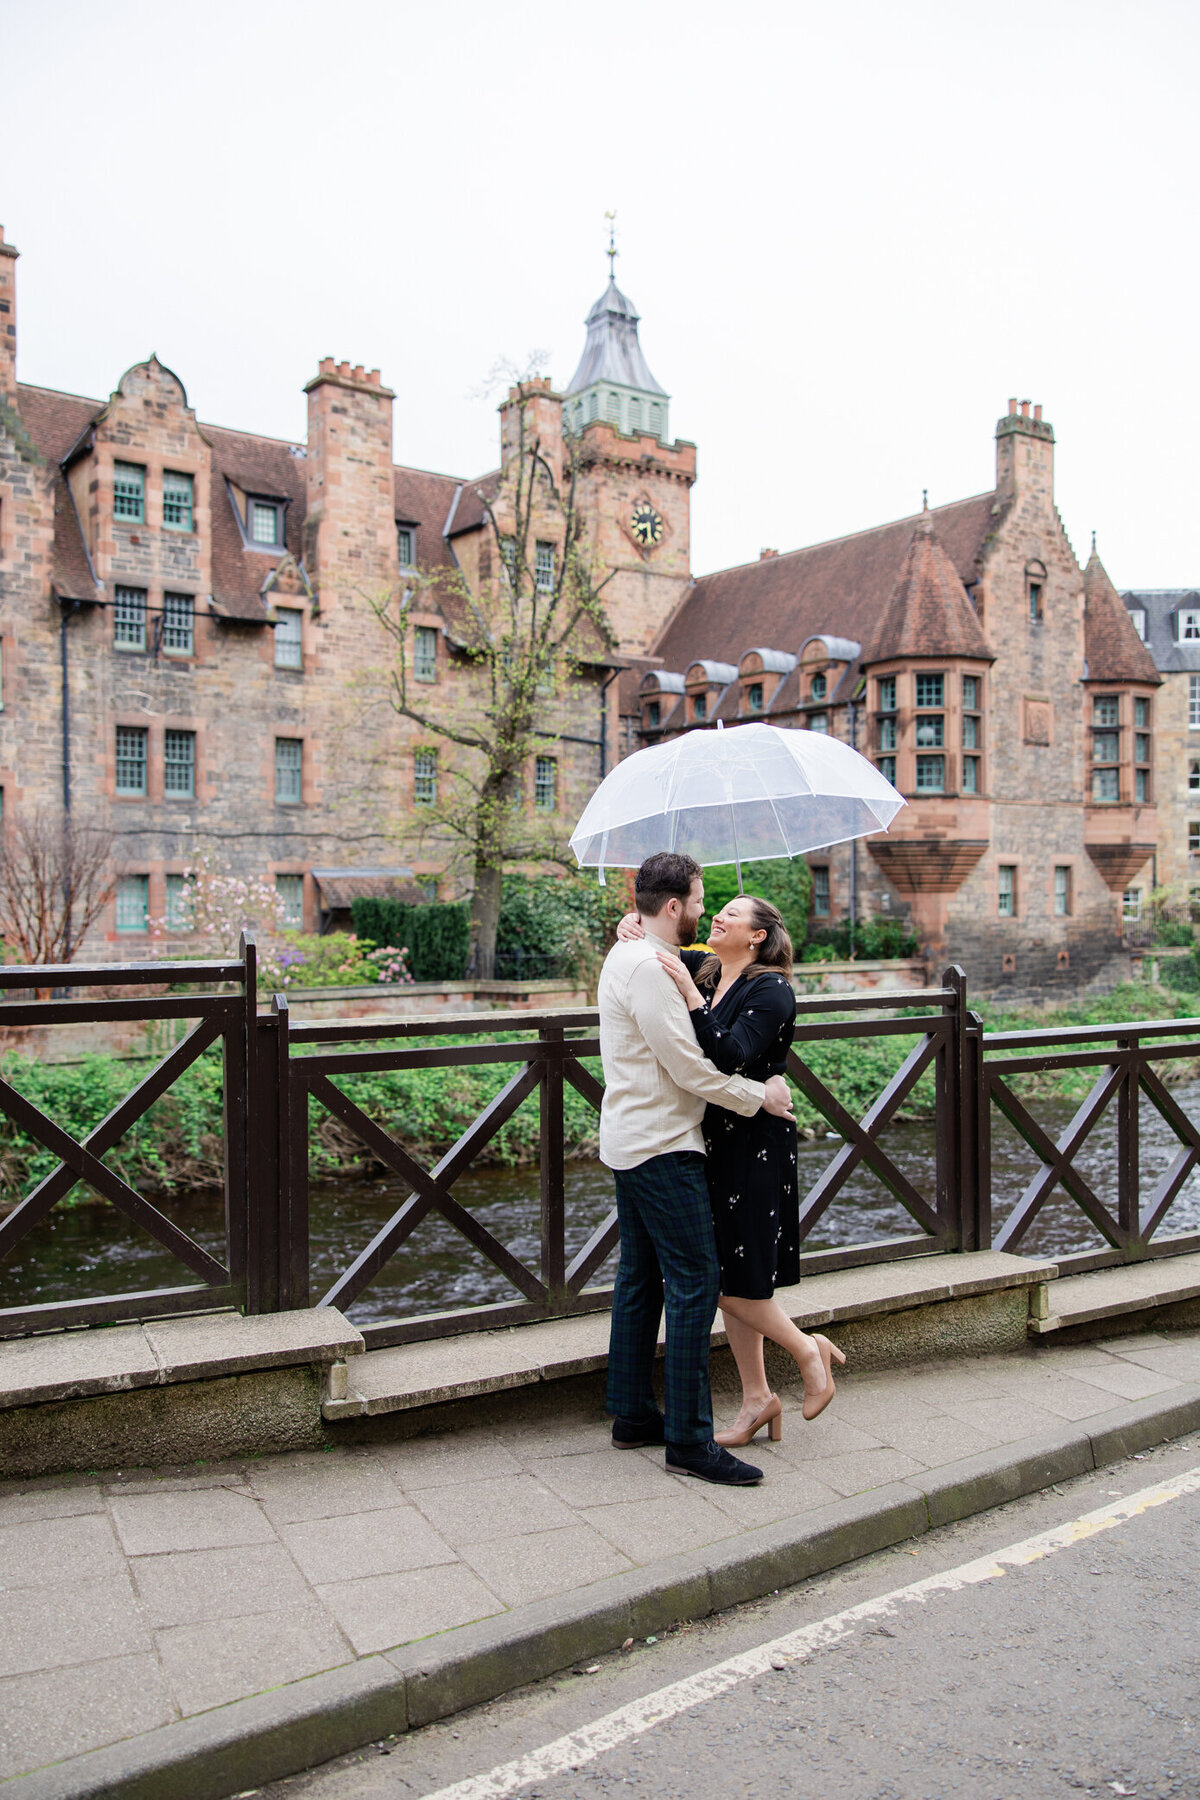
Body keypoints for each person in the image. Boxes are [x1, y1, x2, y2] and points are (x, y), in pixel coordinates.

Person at [598, 851, 797, 1487]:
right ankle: (689, 1440)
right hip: (662, 1143)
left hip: (631, 1136)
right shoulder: (651, 968)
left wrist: (632, 923)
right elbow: (689, 1067)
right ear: (674, 905)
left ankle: (632, 1414)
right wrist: (756, 1097)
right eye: (701, 899)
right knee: (692, 1283)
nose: (707, 910)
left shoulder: (629, 954)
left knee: (641, 1279)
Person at [617, 892, 845, 1444]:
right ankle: (757, 1400)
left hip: (753, 1143)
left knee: (723, 1279)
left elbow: (731, 1054)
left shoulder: (772, 989)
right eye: (716, 908)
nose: (716, 915)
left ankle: (806, 1350)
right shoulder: (709, 964)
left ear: (758, 936)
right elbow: (659, 939)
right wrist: (631, 922)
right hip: (710, 1138)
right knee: (735, 1277)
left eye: (732, 914)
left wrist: (693, 997)